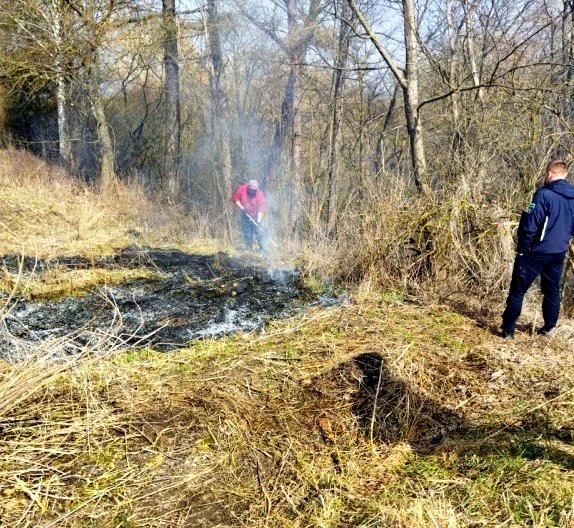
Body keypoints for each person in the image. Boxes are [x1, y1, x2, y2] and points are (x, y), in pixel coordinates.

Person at [501, 160, 574, 338]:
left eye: (545, 174)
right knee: (552, 291)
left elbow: (529, 225)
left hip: (535, 251)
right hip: (558, 252)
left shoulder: (543, 194)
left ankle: (508, 330)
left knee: (518, 291)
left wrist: (523, 247)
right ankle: (549, 328)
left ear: (550, 174)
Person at [232, 179, 266, 251]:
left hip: (256, 216)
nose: (254, 191)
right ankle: (248, 249)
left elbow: (261, 207)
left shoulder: (259, 193)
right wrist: (242, 208)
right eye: (252, 190)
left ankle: (263, 249)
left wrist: (258, 221)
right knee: (247, 233)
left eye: (255, 190)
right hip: (245, 215)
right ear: (249, 187)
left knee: (259, 233)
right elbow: (236, 198)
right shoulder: (242, 189)